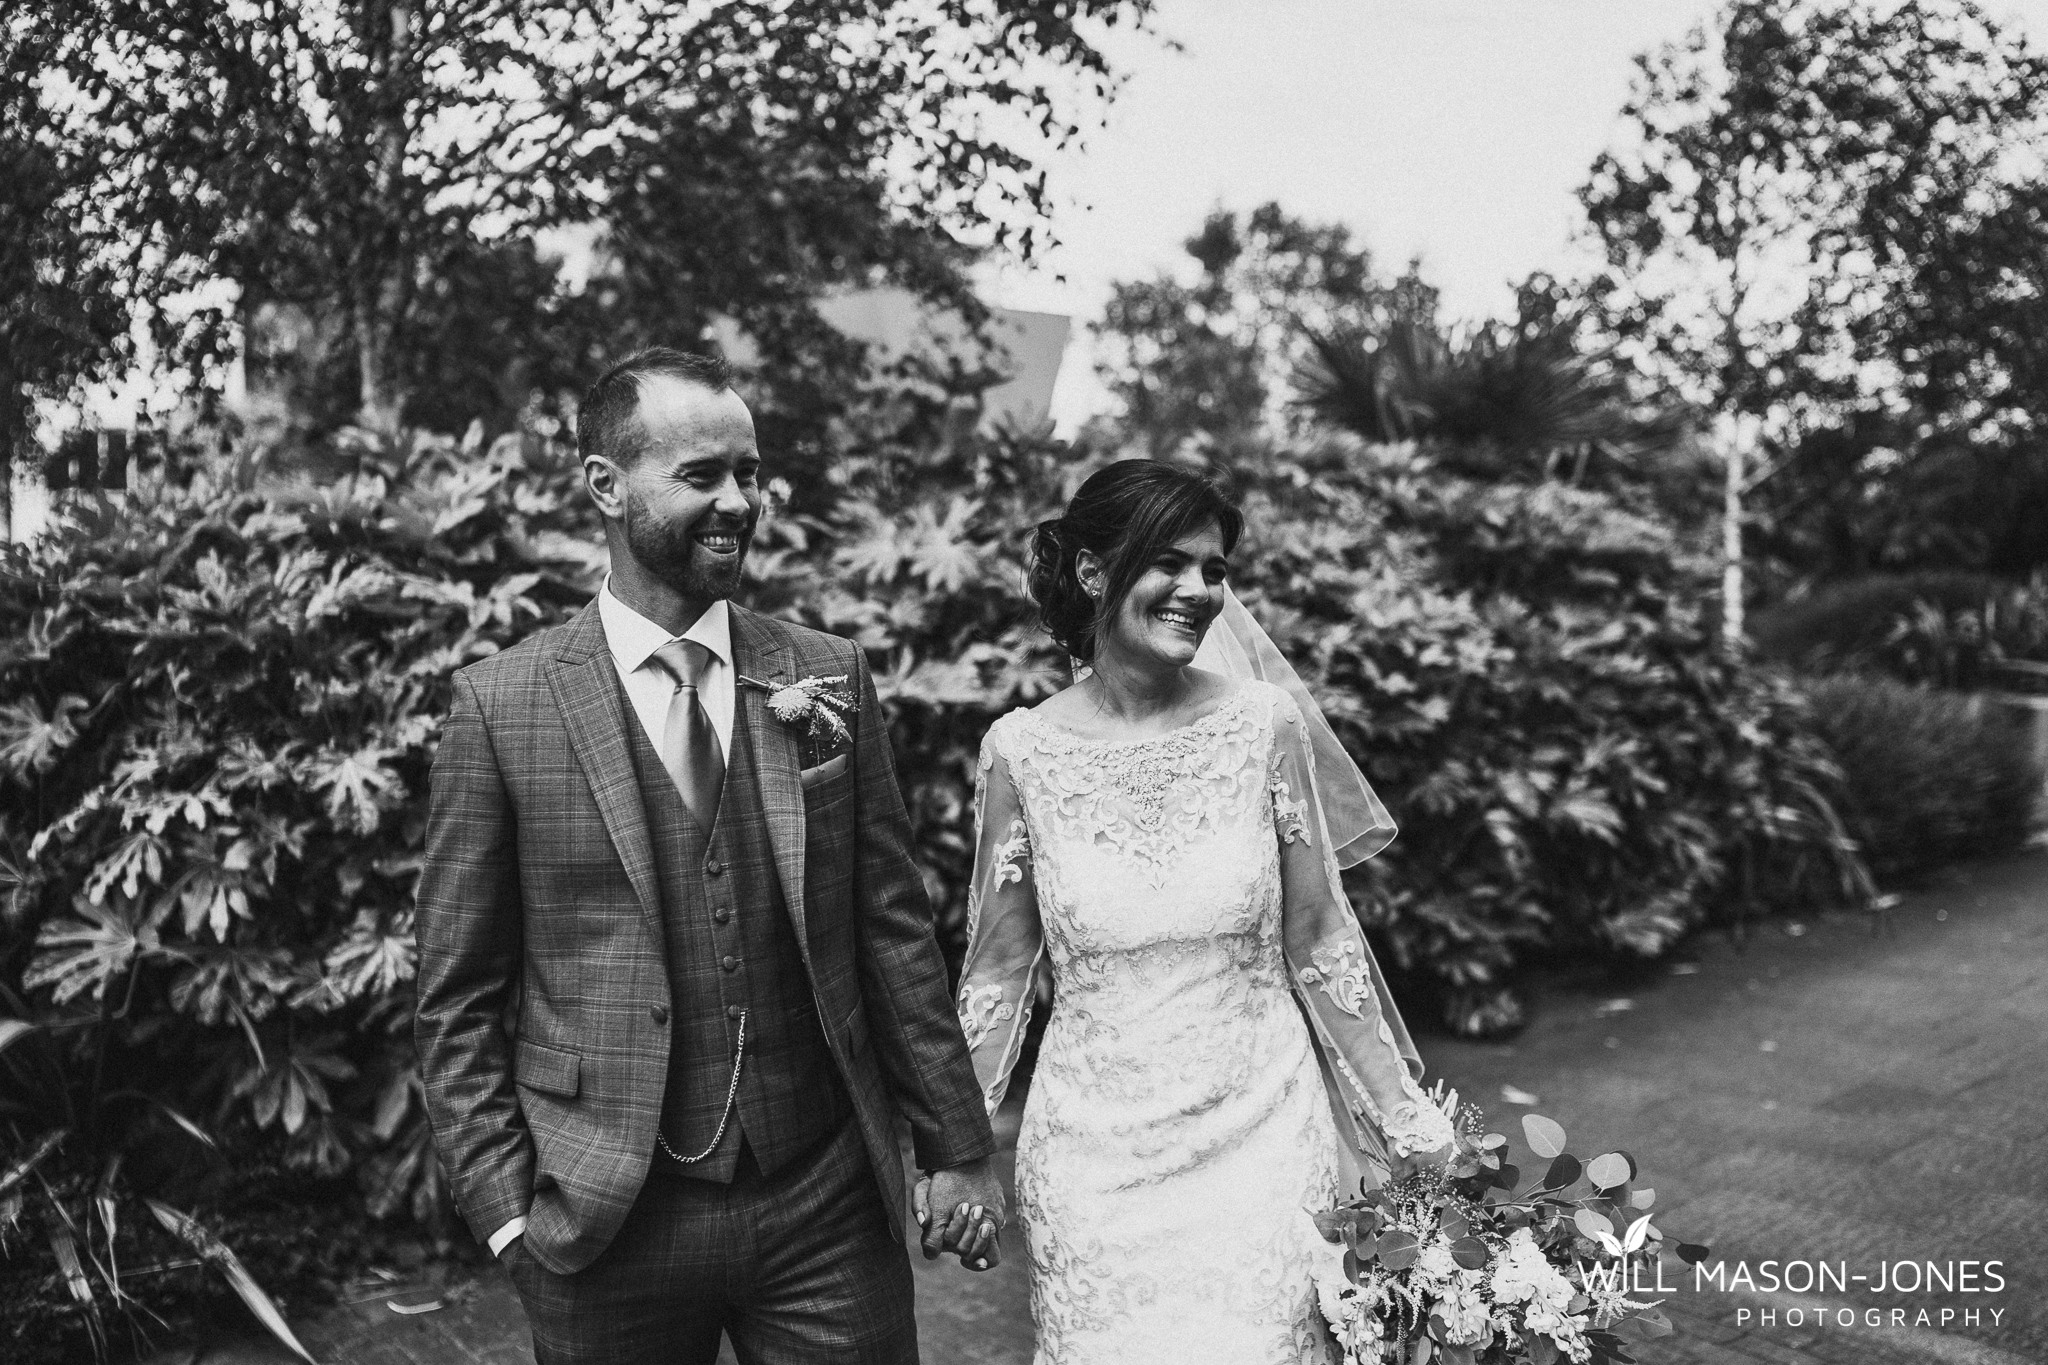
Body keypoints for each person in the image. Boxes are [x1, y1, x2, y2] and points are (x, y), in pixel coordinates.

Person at [414, 348, 1004, 1365]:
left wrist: (956, 1149)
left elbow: (892, 934)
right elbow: (455, 994)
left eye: (751, 473)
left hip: (822, 1199)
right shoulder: (502, 706)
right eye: (701, 477)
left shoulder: (824, 677)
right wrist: (506, 1215)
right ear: (606, 486)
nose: (739, 501)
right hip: (605, 1218)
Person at [952, 460, 1457, 1364]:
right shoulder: (1019, 754)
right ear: (1094, 572)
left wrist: (1404, 1113)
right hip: (1092, 1168)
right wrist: (956, 1150)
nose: (1199, 590)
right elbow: (997, 971)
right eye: (1170, 564)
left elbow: (1320, 936)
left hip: (1263, 1140)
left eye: (1215, 570)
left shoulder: (1265, 724)